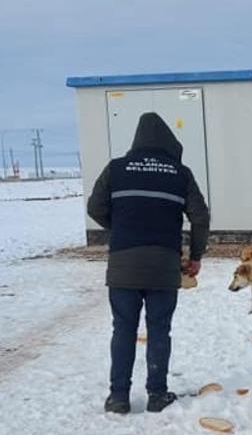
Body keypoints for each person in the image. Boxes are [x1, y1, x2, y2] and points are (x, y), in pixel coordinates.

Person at [87, 113, 210, 414]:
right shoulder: (180, 173)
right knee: (159, 330)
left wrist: (119, 227)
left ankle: (118, 397)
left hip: (123, 264)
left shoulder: (116, 168)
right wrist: (195, 256)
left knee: (123, 330)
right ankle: (157, 394)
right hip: (163, 265)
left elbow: (94, 208)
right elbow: (201, 217)